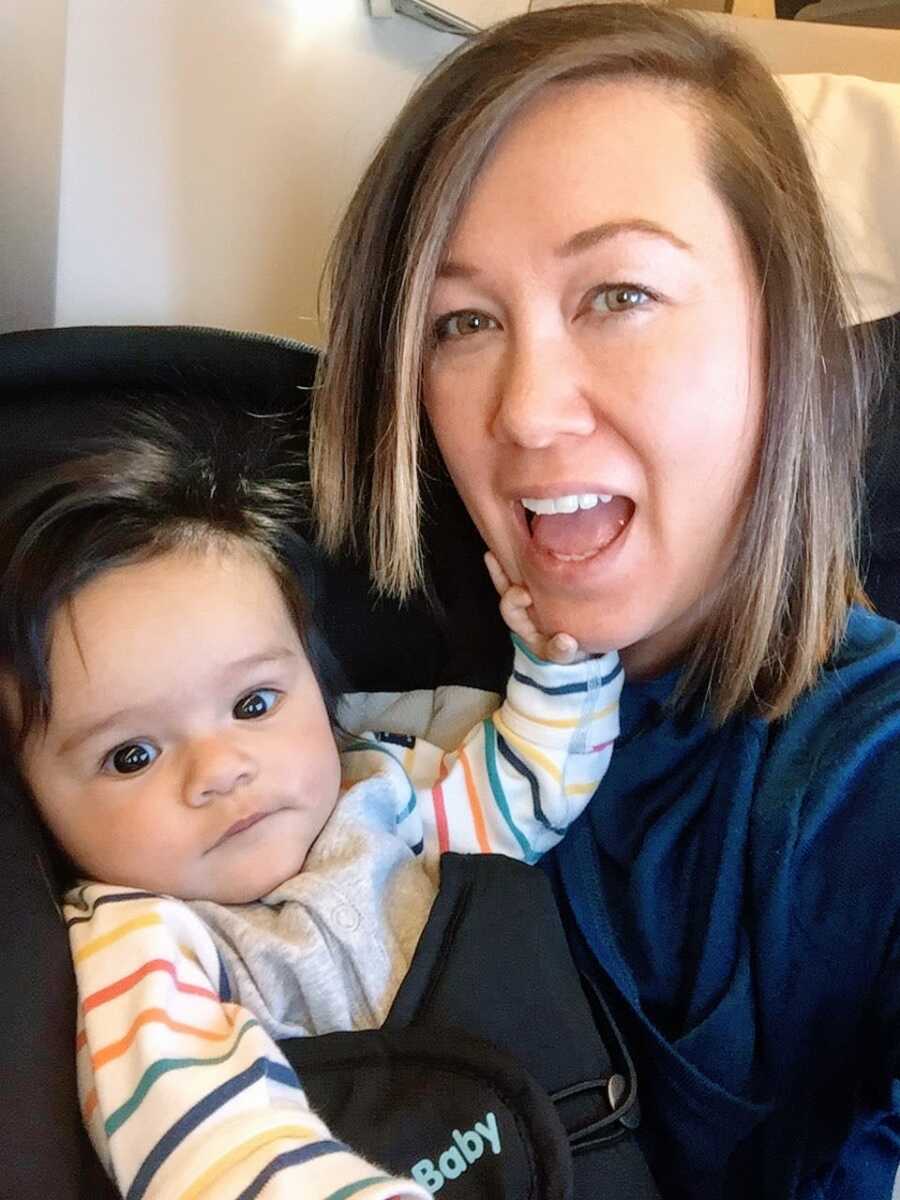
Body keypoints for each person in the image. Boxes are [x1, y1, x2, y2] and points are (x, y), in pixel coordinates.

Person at [310, 4, 900, 1198]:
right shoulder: (376, 682)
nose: (525, 412)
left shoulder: (859, 774)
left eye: (618, 296)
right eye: (461, 322)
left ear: (780, 340)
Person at [0, 407, 623, 1199]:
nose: (220, 770)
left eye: (255, 704)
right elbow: (215, 1150)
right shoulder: (142, 949)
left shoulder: (385, 801)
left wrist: (560, 662)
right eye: (133, 755)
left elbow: (534, 790)